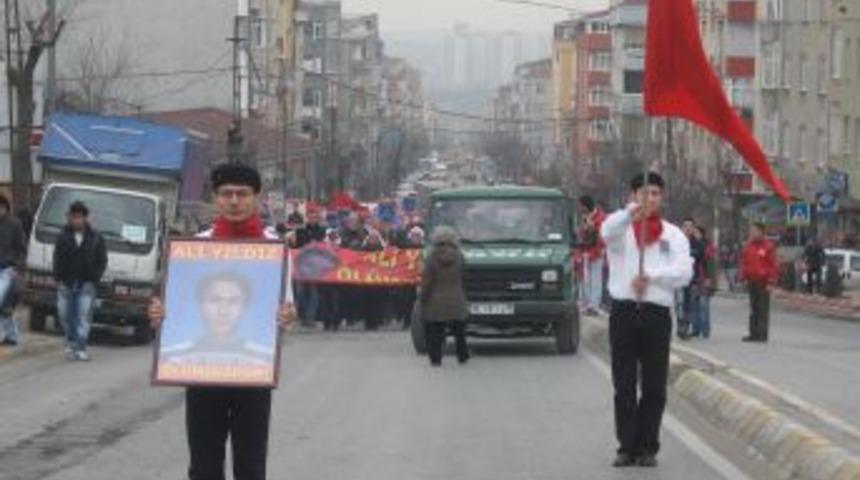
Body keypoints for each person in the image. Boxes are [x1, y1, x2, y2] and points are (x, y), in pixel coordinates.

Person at [148, 163, 297, 480]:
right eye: (226, 193)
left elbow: (287, 308)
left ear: (256, 198)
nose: (234, 201)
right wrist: (161, 314)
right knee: (203, 464)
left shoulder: (275, 249)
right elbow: (178, 304)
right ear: (215, 198)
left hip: (253, 374)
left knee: (251, 464)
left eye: (242, 194)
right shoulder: (195, 247)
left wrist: (287, 316)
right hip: (202, 373)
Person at [600, 172, 693, 468]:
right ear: (634, 196)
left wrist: (652, 277)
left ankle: (647, 446)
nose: (649, 199)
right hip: (625, 312)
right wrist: (630, 211)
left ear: (661, 197)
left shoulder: (673, 234)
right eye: (643, 193)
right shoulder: (622, 230)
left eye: (654, 193)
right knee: (624, 383)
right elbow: (605, 232)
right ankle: (626, 445)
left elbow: (683, 273)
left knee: (654, 385)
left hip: (655, 314)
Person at [162, 271, 275, 365]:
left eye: (233, 301)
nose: (223, 311)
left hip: (254, 392)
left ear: (244, 308)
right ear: (200, 305)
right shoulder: (172, 356)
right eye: (214, 300)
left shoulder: (264, 358)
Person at [52, 201, 107, 361]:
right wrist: (58, 277)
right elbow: (57, 258)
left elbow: (102, 259)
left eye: (79, 217)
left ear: (85, 218)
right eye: (73, 217)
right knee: (64, 315)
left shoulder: (96, 237)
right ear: (69, 218)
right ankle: (70, 341)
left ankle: (81, 347)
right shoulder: (63, 236)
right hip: (65, 283)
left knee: (83, 316)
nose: (76, 220)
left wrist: (96, 276)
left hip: (87, 284)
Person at [420, 226, 469, 366]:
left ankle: (436, 358)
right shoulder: (459, 256)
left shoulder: (431, 257)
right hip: (456, 298)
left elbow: (427, 281)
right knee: (459, 331)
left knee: (434, 331)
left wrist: (423, 298)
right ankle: (463, 355)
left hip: (435, 300)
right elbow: (464, 275)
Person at [739, 223, 779, 343]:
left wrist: (771, 282)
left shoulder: (768, 246)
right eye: (751, 231)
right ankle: (753, 333)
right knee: (754, 309)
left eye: (754, 231)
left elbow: (773, 265)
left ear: (761, 232)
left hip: (764, 282)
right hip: (752, 281)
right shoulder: (748, 246)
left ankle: (762, 334)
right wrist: (743, 277)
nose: (752, 233)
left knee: (762, 309)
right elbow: (745, 263)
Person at [0, 195, 27, 346]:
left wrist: (17, 267)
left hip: (7, 270)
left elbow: (22, 249)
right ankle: (12, 336)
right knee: (4, 306)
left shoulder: (15, 224)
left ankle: (10, 335)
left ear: (5, 207)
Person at [578, 195, 607, 316]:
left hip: (596, 251)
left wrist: (592, 227)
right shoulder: (582, 216)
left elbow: (602, 235)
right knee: (584, 278)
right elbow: (580, 233)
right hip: (584, 251)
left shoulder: (601, 217)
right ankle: (584, 303)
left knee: (595, 279)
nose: (580, 209)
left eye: (582, 206)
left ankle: (594, 305)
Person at [689, 226, 717, 339]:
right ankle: (695, 329)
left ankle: (705, 330)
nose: (694, 234)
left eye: (696, 232)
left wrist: (709, 278)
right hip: (694, 279)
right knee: (694, 305)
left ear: (701, 234)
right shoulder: (691, 246)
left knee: (703, 305)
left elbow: (711, 263)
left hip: (704, 278)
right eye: (693, 232)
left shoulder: (707, 246)